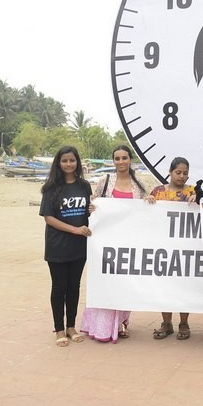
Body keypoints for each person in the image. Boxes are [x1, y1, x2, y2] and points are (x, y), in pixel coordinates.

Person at [80, 145, 149, 343]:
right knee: (106, 282)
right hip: (106, 244)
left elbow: (146, 207)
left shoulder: (139, 184)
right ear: (113, 161)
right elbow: (94, 203)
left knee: (125, 284)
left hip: (129, 244)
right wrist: (93, 207)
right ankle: (99, 327)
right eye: (117, 158)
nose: (121, 162)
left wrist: (151, 200)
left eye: (124, 158)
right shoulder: (105, 181)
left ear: (130, 159)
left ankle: (121, 323)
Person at [39, 145, 92, 347]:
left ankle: (71, 326)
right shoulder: (51, 187)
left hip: (79, 247)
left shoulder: (84, 186)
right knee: (59, 287)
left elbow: (88, 213)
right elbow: (49, 218)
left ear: (77, 162)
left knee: (74, 287)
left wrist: (94, 209)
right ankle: (59, 329)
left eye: (72, 160)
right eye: (64, 161)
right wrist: (75, 230)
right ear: (58, 163)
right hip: (57, 246)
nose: (69, 164)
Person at [148, 157, 197, 340]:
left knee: (185, 286)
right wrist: (147, 202)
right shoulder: (158, 192)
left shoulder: (193, 191)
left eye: (185, 173)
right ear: (170, 172)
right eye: (178, 172)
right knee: (164, 286)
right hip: (163, 248)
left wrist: (198, 198)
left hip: (185, 249)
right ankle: (166, 323)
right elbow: (147, 215)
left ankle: (184, 323)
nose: (182, 176)